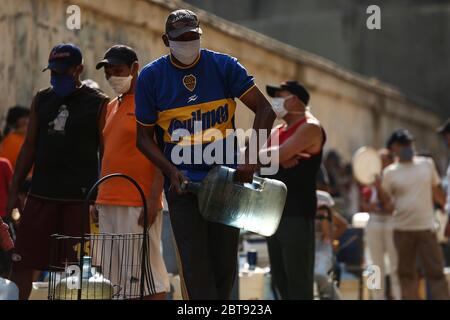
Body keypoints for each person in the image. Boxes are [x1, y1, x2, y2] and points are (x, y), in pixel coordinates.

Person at [135, 9, 275, 299]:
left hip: (226, 184)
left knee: (224, 268)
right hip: (183, 186)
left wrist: (250, 158)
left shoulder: (224, 67)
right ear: (166, 40)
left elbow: (265, 110)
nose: (188, 43)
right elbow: (143, 139)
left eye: (193, 37)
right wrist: (170, 171)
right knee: (196, 267)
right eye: (180, 38)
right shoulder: (151, 77)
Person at [6, 43, 109, 299]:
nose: (56, 77)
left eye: (63, 72)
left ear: (79, 69)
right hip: (41, 197)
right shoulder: (42, 99)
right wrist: (14, 190)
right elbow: (28, 147)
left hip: (78, 201)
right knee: (22, 263)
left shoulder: (98, 104)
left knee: (72, 271)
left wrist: (101, 197)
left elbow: (106, 154)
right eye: (53, 72)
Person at [95, 45, 170, 299]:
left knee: (148, 278)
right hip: (108, 202)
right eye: (108, 73)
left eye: (118, 70)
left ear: (135, 68)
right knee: (114, 281)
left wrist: (153, 199)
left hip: (137, 202)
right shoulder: (111, 107)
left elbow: (162, 156)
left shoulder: (152, 103)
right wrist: (98, 199)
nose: (112, 77)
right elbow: (107, 155)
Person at [260, 80, 326, 299]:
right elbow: (256, 156)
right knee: (281, 282)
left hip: (297, 215)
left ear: (295, 100)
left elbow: (272, 156)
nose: (275, 101)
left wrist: (275, 157)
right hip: (273, 216)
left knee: (298, 284)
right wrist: (276, 157)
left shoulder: (310, 126)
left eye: (280, 95)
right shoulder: (279, 130)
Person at [376, 129, 449, 300]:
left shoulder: (426, 164)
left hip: (425, 227)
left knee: (434, 273)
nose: (408, 147)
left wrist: (446, 208)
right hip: (398, 228)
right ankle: (378, 296)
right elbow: (386, 204)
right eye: (403, 144)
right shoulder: (389, 173)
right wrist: (377, 187)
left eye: (409, 144)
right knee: (398, 272)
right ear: (393, 148)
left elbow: (436, 191)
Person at [360, 148, 401, 300]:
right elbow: (365, 204)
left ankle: (398, 295)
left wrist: (379, 187)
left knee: (395, 263)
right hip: (374, 222)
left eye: (384, 159)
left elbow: (390, 206)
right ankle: (377, 297)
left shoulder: (395, 179)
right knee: (374, 265)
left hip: (391, 223)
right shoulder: (370, 179)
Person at [314, 190, 347, 300]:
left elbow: (342, 226)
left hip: (322, 250)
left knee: (320, 274)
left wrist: (323, 217)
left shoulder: (324, 203)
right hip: (305, 249)